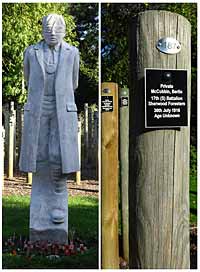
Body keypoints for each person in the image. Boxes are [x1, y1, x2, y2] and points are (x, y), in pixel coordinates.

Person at [19, 14, 80, 223]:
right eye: (48, 29)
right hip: (39, 108)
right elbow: (28, 79)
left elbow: (74, 82)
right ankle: (41, 202)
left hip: (62, 108)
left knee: (58, 153)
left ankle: (57, 194)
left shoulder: (73, 53)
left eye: (57, 29)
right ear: (42, 31)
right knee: (40, 152)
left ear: (63, 31)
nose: (52, 33)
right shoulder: (31, 52)